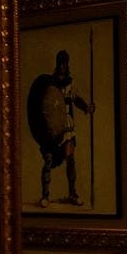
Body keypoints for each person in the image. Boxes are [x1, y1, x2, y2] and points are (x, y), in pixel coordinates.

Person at [38, 49, 95, 207]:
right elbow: (46, 103)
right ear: (57, 64)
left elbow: (76, 99)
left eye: (65, 63)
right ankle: (45, 195)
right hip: (53, 126)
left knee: (70, 159)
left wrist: (86, 108)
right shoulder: (51, 82)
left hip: (68, 125)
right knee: (49, 160)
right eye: (60, 63)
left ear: (67, 64)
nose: (62, 66)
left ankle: (72, 193)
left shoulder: (70, 82)